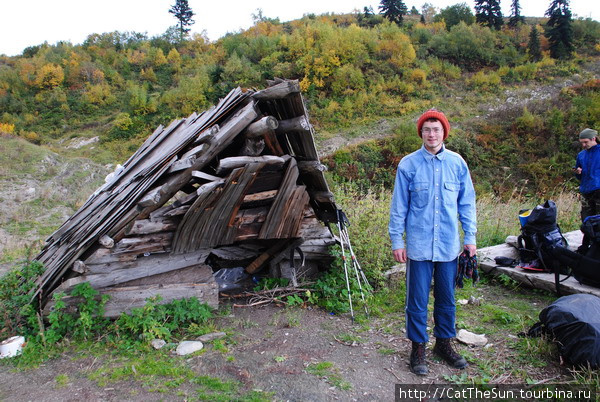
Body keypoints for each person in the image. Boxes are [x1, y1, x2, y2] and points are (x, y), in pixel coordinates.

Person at [388, 109, 477, 376]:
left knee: (447, 299)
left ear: (444, 132)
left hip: (449, 246)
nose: (432, 134)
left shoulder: (458, 163)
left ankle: (444, 344)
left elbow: (467, 203)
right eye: (427, 129)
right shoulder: (408, 164)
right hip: (418, 246)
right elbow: (399, 207)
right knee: (416, 300)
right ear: (421, 133)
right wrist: (397, 240)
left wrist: (470, 238)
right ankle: (418, 348)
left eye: (436, 129)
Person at [575, 128, 600, 222]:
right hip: (586, 191)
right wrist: (578, 172)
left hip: (598, 190)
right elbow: (578, 176)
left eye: (586, 142)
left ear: (593, 139)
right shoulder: (581, 155)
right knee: (587, 221)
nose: (583, 145)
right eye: (582, 142)